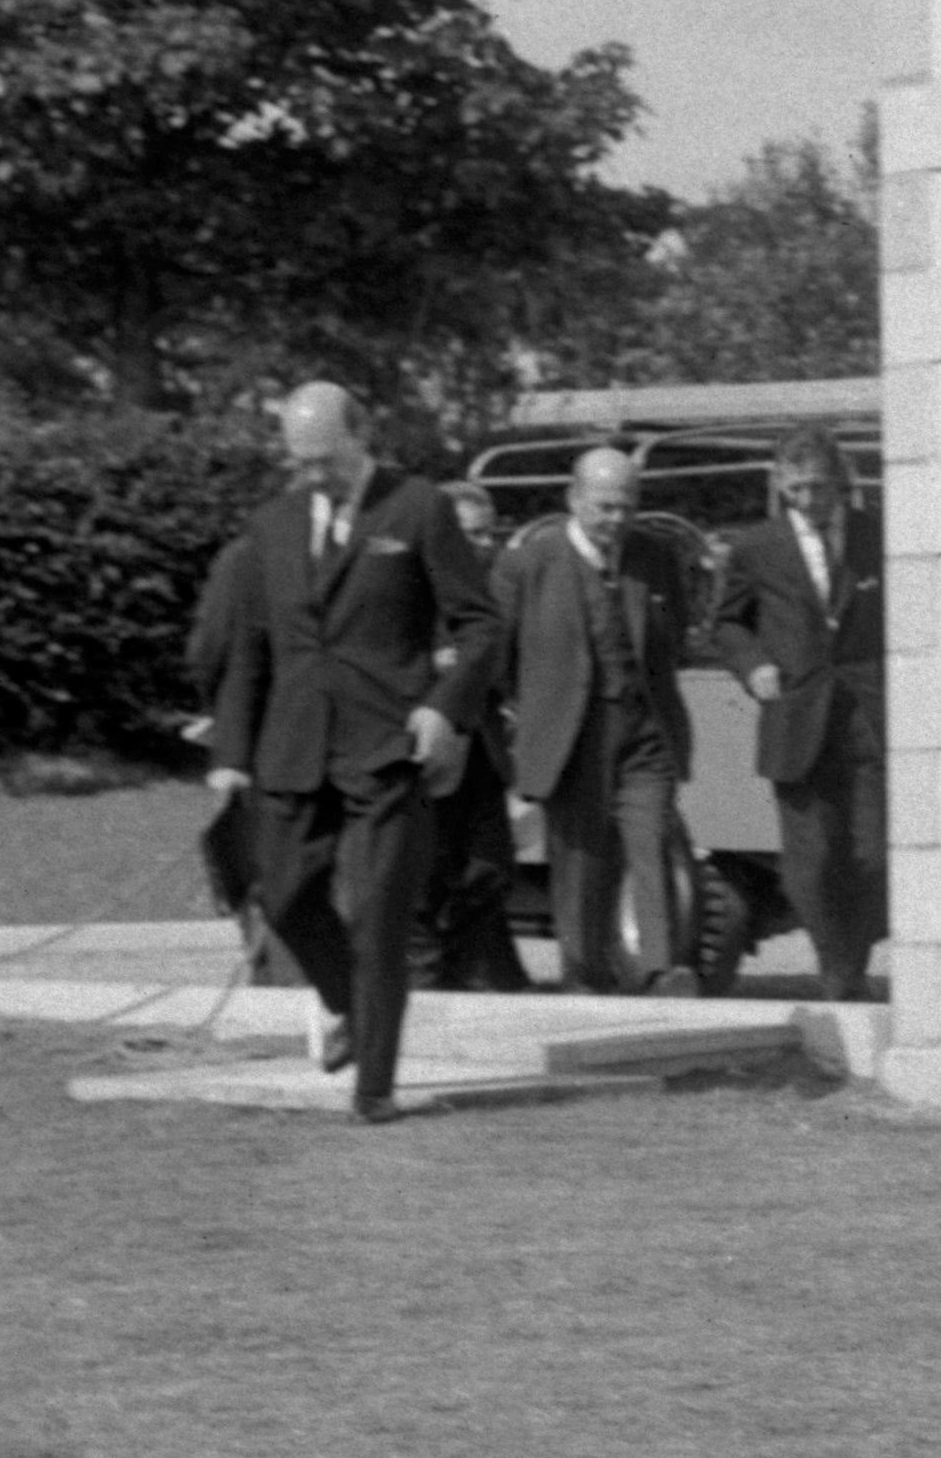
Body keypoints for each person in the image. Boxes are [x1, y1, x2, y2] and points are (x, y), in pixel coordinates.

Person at [195, 382, 490, 1125]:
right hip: (293, 746)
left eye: (325, 460)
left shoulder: (418, 507)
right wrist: (231, 754)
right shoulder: (273, 524)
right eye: (301, 462)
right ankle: (345, 1004)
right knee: (283, 895)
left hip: (387, 744)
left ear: (362, 436)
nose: (313, 475)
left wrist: (441, 707)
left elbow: (483, 624)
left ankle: (376, 1088)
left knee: (381, 912)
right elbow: (250, 652)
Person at [459, 443, 701, 994]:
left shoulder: (655, 555)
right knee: (581, 862)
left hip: (645, 731)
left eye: (626, 506)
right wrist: (528, 713)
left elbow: (675, 633)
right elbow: (497, 653)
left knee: (652, 837)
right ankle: (583, 975)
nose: (615, 520)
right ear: (574, 499)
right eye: (603, 507)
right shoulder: (528, 565)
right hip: (571, 737)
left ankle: (662, 970)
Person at [705, 427, 888, 1003]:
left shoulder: (874, 534)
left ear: (842, 483)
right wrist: (753, 664)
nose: (812, 501)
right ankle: (839, 972)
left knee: (873, 854)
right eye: (800, 489)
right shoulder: (758, 547)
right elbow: (726, 623)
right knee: (811, 862)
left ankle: (849, 964)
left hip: (866, 719)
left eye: (822, 488)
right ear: (782, 486)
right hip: (795, 720)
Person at [419, 480, 534, 994]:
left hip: (482, 752)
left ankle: (466, 971)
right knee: (427, 875)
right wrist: (430, 663)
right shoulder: (408, 588)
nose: (484, 545)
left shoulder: (493, 594)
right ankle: (431, 977)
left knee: (490, 868)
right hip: (427, 753)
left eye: (489, 534)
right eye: (472, 535)